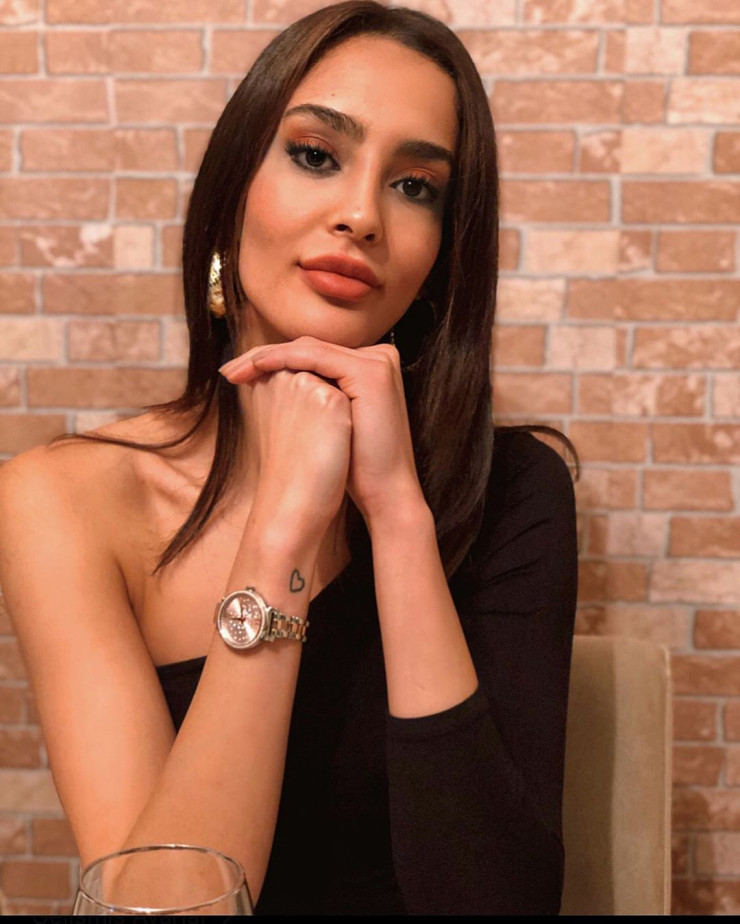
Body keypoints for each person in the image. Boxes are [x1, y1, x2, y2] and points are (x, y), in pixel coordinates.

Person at [0, 1, 578, 915]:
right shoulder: (61, 501)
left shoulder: (514, 491)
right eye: (315, 155)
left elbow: (498, 902)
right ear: (232, 193)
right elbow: (161, 908)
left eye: (415, 186)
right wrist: (281, 536)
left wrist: (396, 514)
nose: (361, 215)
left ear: (440, 256)